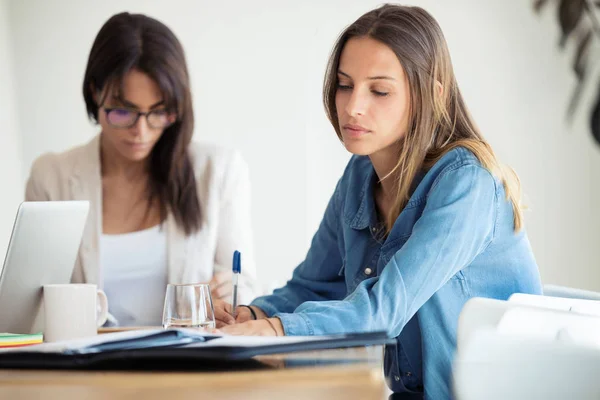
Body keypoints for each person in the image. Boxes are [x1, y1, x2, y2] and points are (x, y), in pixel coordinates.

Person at [213, 4, 542, 399]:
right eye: (345, 84)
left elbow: (384, 309)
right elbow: (314, 287)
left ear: (430, 95)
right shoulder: (360, 175)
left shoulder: (467, 184)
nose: (353, 106)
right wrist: (254, 313)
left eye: (380, 90)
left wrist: (276, 330)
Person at [25, 12, 257, 326]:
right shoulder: (51, 178)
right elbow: (30, 307)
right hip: (90, 368)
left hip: (189, 366)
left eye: (159, 112)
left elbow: (244, 288)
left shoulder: (219, 171)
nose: (142, 132)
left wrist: (228, 303)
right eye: (123, 111)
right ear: (95, 92)